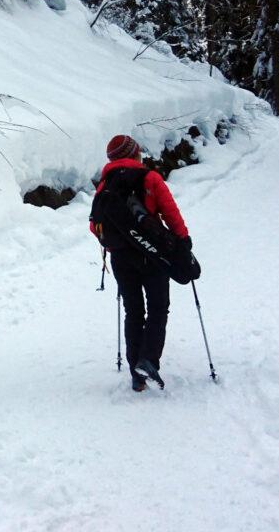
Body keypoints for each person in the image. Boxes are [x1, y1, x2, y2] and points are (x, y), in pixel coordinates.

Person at [91, 134, 191, 392]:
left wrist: (117, 242)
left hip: (121, 258)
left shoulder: (105, 185)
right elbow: (171, 214)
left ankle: (137, 374)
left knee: (133, 312)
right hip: (153, 256)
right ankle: (148, 360)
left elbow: (95, 225)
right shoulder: (149, 178)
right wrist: (183, 243)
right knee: (159, 308)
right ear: (134, 153)